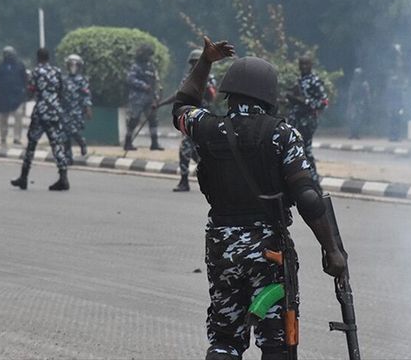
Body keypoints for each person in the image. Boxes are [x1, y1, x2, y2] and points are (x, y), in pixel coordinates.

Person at [173, 37, 348, 360]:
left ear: (229, 94)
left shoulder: (208, 128)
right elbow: (308, 198)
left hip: (222, 247)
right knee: (277, 344)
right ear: (268, 95)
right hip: (269, 253)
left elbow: (182, 106)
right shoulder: (283, 135)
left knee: (225, 339)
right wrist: (332, 249)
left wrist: (206, 61)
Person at [156, 49, 217, 192]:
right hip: (189, 117)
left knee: (201, 151)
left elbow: (213, 96)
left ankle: (212, 178)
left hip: (204, 117)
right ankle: (184, 181)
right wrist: (162, 104)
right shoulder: (187, 78)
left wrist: (205, 82)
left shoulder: (210, 78)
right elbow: (178, 95)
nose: (196, 66)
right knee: (185, 150)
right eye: (194, 63)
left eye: (199, 63)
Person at [10, 48, 69, 191]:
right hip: (55, 112)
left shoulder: (36, 72)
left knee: (31, 144)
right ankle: (63, 178)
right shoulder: (57, 71)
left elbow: (30, 91)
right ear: (49, 58)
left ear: (38, 58)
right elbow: (62, 91)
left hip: (41, 113)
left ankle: (23, 177)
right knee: (56, 145)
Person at [286, 55, 328, 182]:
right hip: (296, 120)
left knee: (306, 151)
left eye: (306, 64)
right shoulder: (299, 80)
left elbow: (323, 102)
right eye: (301, 64)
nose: (304, 67)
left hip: (307, 121)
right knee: (296, 150)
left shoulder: (314, 81)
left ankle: (313, 179)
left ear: (311, 65)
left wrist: (304, 101)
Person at [123, 43, 164, 151]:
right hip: (137, 98)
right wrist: (143, 85)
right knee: (134, 120)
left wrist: (156, 95)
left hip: (150, 97)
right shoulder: (136, 66)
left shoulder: (151, 67)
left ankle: (154, 143)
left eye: (150, 55)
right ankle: (127, 143)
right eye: (147, 54)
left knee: (153, 120)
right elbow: (130, 79)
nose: (148, 57)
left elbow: (155, 81)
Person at [0, 46, 27, 146]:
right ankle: (3, 137)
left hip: (17, 96)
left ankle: (17, 138)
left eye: (10, 54)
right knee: (3, 118)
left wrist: (24, 93)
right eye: (6, 54)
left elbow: (25, 80)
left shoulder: (20, 65)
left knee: (18, 116)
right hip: (3, 96)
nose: (8, 56)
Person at [61, 54, 93, 163]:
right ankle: (68, 156)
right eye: (71, 65)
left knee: (74, 131)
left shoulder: (82, 80)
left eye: (75, 65)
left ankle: (81, 142)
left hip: (77, 110)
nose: (73, 68)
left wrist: (88, 107)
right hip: (65, 110)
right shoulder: (63, 79)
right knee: (65, 134)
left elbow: (86, 95)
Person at [346, 67, 371, 140]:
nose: (356, 75)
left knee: (358, 119)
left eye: (358, 74)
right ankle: (352, 133)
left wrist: (368, 103)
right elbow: (350, 93)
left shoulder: (364, 84)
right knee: (351, 118)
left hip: (361, 103)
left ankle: (356, 133)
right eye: (356, 74)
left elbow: (367, 94)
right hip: (353, 103)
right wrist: (349, 103)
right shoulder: (353, 83)